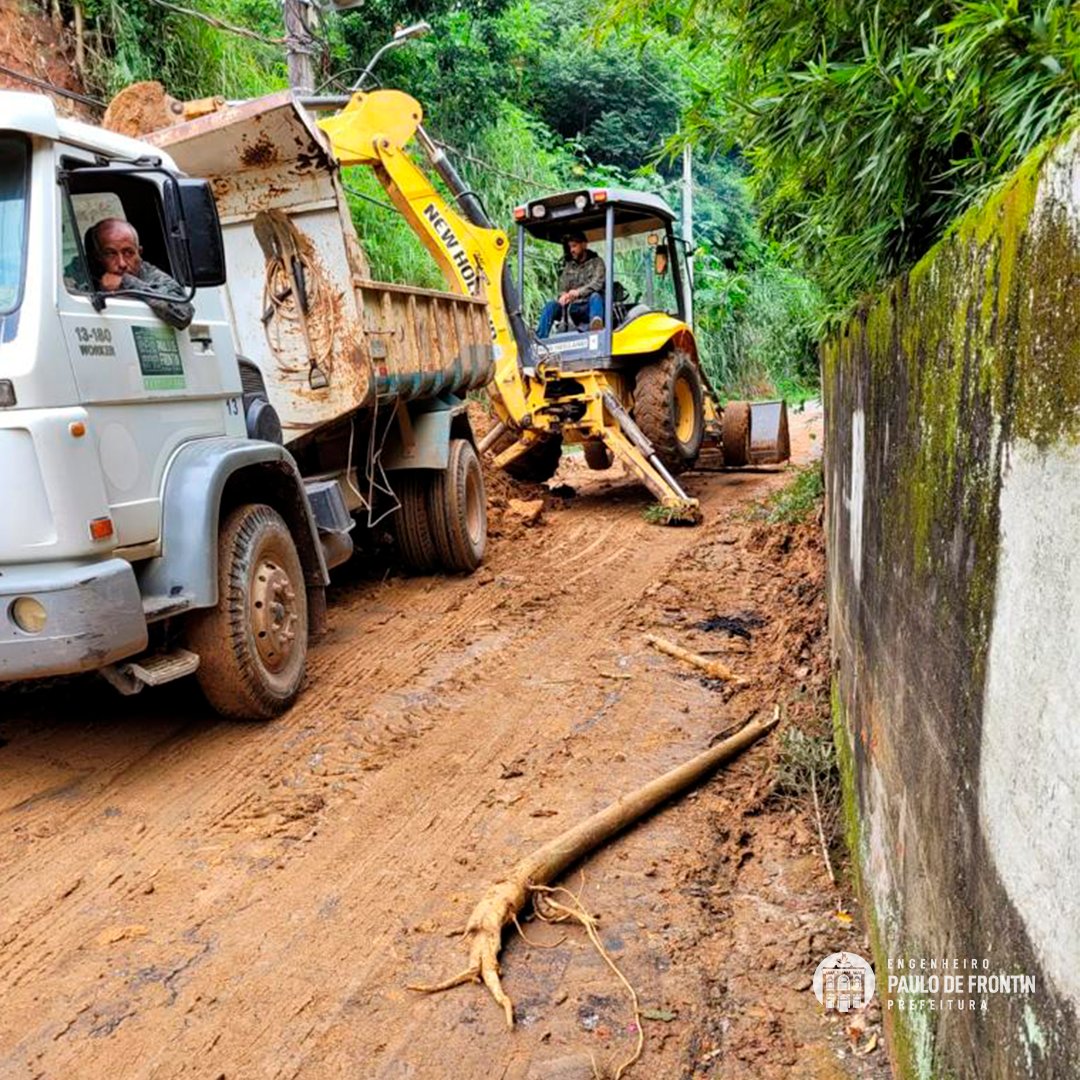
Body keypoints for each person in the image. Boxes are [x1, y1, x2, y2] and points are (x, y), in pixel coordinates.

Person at [85, 218, 194, 330]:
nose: (122, 263)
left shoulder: (152, 275)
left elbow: (183, 315)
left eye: (128, 253)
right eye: (110, 254)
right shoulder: (86, 274)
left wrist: (127, 283)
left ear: (139, 253)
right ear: (98, 257)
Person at [536, 229, 605, 338]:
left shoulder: (597, 263)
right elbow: (562, 287)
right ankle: (539, 339)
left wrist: (578, 292)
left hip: (588, 306)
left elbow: (597, 283)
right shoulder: (569, 266)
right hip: (570, 308)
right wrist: (563, 296)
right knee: (551, 306)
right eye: (570, 247)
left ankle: (596, 329)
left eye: (574, 246)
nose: (571, 250)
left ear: (584, 245)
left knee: (596, 296)